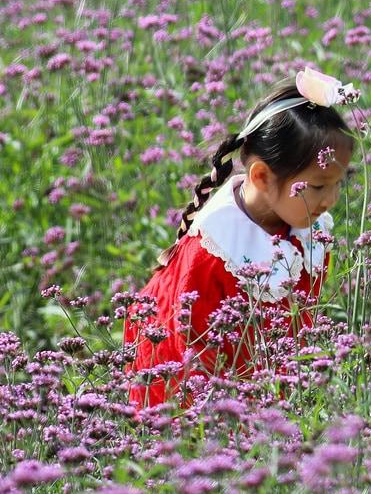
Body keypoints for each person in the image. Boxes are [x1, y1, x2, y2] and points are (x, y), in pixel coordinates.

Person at [124, 69, 358, 410]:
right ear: (262, 176)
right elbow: (190, 350)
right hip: (192, 393)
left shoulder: (307, 226)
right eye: (319, 186)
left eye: (341, 183)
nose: (332, 198)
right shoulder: (213, 250)